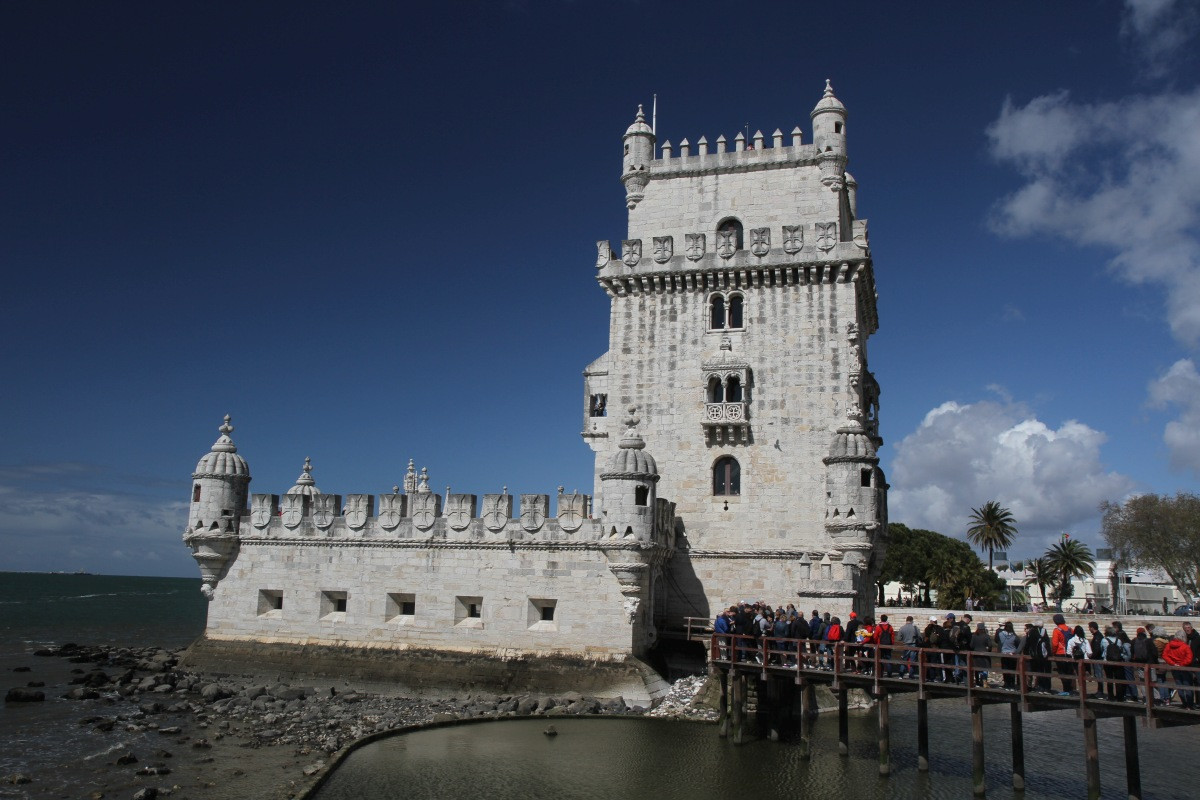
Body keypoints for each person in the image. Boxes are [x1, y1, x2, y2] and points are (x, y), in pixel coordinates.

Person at [1163, 631, 1196, 709]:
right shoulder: (1185, 646)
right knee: (1188, 686)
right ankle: (1190, 705)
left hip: (1174, 668)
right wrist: (1181, 664)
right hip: (1184, 668)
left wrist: (1173, 663)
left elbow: (1165, 655)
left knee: (1179, 686)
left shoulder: (1169, 645)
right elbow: (1189, 659)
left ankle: (1184, 703)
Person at [1050, 613, 1076, 695]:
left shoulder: (1057, 630)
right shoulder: (1070, 629)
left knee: (1062, 672)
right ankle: (1071, 689)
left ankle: (1066, 689)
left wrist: (1053, 653)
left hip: (1060, 653)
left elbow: (1054, 644)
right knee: (1070, 671)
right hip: (1069, 653)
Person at [996, 620, 1019, 689]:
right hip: (1012, 654)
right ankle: (1012, 684)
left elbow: (997, 640)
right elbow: (1018, 644)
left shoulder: (1001, 634)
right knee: (1012, 669)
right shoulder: (1014, 636)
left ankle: (1006, 683)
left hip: (1004, 653)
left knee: (1005, 668)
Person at [969, 622, 992, 687]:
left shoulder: (974, 636)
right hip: (984, 654)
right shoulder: (986, 636)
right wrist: (988, 650)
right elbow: (990, 645)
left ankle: (977, 682)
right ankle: (984, 680)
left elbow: (971, 645)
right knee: (985, 668)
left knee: (976, 668)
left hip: (976, 654)